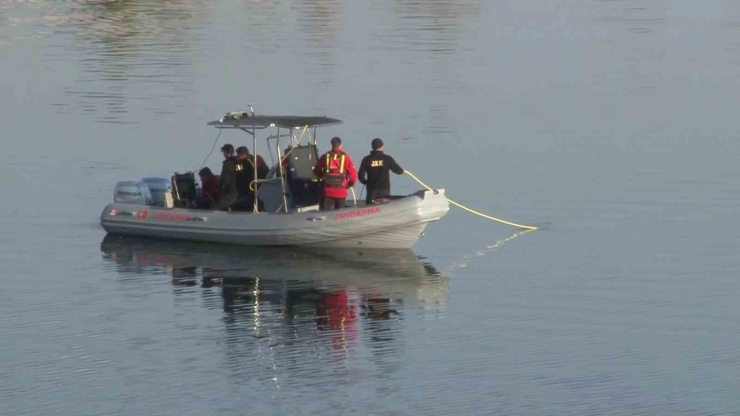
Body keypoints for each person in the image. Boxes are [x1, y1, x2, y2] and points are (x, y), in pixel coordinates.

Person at [312, 136, 357, 211]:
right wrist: (350, 184)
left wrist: (322, 177)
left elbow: (316, 170)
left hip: (327, 191)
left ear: (331, 145)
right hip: (341, 191)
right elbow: (353, 176)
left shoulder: (325, 156)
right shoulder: (346, 158)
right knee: (340, 216)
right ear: (341, 145)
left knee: (323, 214)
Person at [358, 138, 404, 204]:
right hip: (384, 189)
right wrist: (402, 171)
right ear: (382, 146)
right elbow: (398, 171)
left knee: (370, 207)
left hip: (372, 189)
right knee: (384, 207)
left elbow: (360, 176)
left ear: (372, 147)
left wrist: (366, 182)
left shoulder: (366, 159)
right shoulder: (387, 158)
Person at [215, 143, 239, 210]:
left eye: (224, 152)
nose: (223, 154)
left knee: (215, 207)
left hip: (231, 192)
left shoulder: (228, 163)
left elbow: (226, 180)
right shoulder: (238, 161)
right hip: (239, 191)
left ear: (226, 152)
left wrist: (220, 178)